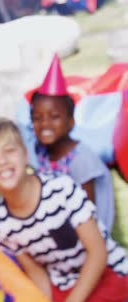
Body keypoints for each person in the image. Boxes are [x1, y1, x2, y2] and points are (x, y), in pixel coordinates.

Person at [0, 95, 127, 302]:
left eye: (9, 151)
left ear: (25, 154)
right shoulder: (3, 223)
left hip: (110, 273)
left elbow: (98, 253)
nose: (2, 162)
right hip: (63, 280)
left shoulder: (61, 189)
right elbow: (37, 273)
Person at [29, 54, 115, 233]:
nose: (45, 124)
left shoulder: (82, 160)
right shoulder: (42, 152)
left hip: (87, 234)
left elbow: (88, 212)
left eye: (55, 117)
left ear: (70, 121)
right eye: (37, 118)